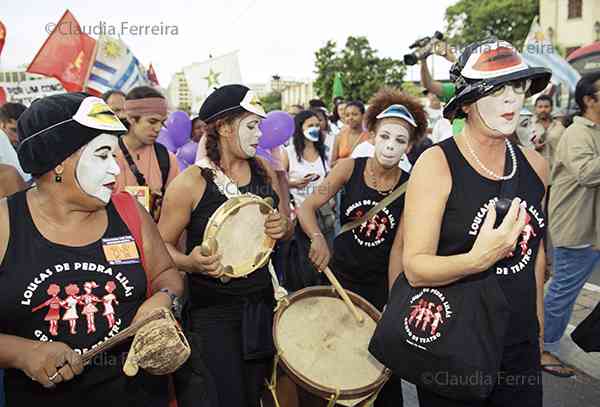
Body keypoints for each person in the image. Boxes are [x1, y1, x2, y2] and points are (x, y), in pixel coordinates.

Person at [0, 92, 184, 406]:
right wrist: (22, 353)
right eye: (102, 155)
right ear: (57, 162)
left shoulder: (128, 211)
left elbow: (168, 274)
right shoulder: (5, 223)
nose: (115, 170)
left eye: (114, 156)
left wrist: (163, 299)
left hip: (137, 395)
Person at [403, 39, 551, 406]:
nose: (511, 99)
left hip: (519, 345)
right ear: (467, 103)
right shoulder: (437, 164)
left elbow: (534, 257)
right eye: (496, 89)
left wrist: (538, 328)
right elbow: (416, 268)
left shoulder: (536, 167)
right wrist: (478, 258)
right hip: (455, 342)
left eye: (517, 87)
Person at [157, 85, 293, 407]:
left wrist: (283, 228)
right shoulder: (191, 182)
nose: (259, 134)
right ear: (224, 127)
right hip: (213, 315)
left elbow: (285, 229)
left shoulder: (264, 171)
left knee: (260, 393)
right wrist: (190, 263)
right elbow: (160, 246)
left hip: (261, 305)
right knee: (224, 397)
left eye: (259, 125)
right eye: (251, 125)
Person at [298, 87, 427, 407]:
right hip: (338, 280)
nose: (390, 146)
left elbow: (399, 249)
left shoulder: (412, 187)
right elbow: (306, 208)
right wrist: (317, 239)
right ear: (372, 134)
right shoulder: (347, 169)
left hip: (378, 287)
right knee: (329, 363)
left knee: (378, 373)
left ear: (409, 146)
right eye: (385, 136)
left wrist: (393, 302)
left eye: (400, 141)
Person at [543, 72, 600, 378]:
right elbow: (588, 173)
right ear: (589, 101)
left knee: (563, 289)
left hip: (592, 229)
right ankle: (542, 345)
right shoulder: (578, 134)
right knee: (563, 291)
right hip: (578, 230)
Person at [114, 86, 179, 221]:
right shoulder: (107, 154)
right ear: (131, 119)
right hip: (115, 239)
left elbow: (174, 212)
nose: (158, 128)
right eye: (152, 121)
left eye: (162, 122)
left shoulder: (166, 159)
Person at [282, 110, 333, 243]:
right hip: (299, 214)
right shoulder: (289, 153)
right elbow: (278, 181)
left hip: (323, 213)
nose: (315, 129)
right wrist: (294, 183)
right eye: (310, 126)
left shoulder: (324, 151)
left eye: (317, 125)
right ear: (300, 128)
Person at [331, 101, 369, 165]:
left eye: (355, 114)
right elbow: (332, 163)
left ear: (363, 115)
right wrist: (344, 162)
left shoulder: (370, 137)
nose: (350, 118)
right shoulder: (339, 136)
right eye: (347, 115)